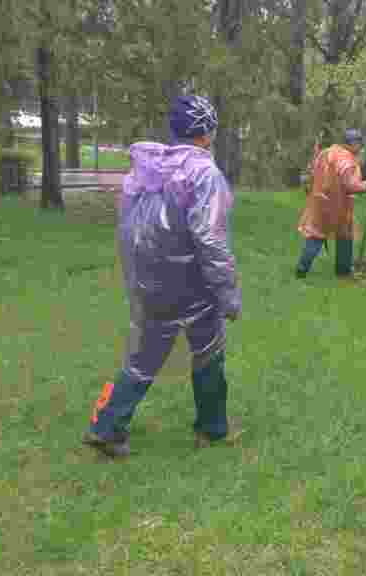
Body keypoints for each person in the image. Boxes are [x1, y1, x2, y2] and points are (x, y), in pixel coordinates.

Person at [82, 95, 242, 458]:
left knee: (141, 357)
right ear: (208, 132)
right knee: (209, 352)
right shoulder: (205, 175)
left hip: (149, 280)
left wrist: (137, 278)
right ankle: (213, 428)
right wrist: (228, 294)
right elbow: (211, 240)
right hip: (191, 285)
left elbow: (128, 226)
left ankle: (105, 425)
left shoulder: (150, 167)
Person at [296, 129, 366, 277]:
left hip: (319, 202)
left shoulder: (326, 153)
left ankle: (302, 268)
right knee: (345, 235)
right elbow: (351, 186)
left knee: (316, 235)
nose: (361, 148)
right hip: (339, 206)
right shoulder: (348, 160)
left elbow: (310, 175)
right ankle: (343, 271)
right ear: (353, 143)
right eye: (359, 144)